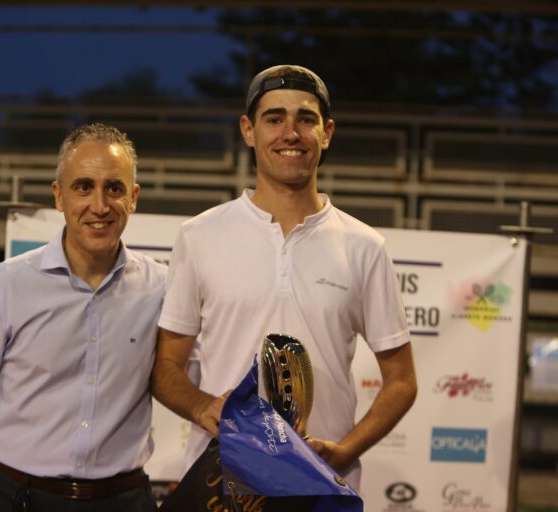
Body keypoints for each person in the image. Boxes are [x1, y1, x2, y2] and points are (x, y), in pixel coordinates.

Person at [151, 65, 417, 491]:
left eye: (305, 119)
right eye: (274, 118)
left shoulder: (365, 246)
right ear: (248, 130)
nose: (290, 133)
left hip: (322, 484)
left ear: (326, 132)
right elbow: (166, 367)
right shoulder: (198, 236)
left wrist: (345, 451)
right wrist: (202, 407)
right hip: (223, 485)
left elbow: (402, 380)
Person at [0, 123, 166, 512]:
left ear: (133, 197)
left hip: (125, 500)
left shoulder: (163, 287)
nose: (99, 205)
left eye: (113, 188)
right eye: (83, 186)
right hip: (17, 500)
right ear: (58, 196)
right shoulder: (7, 284)